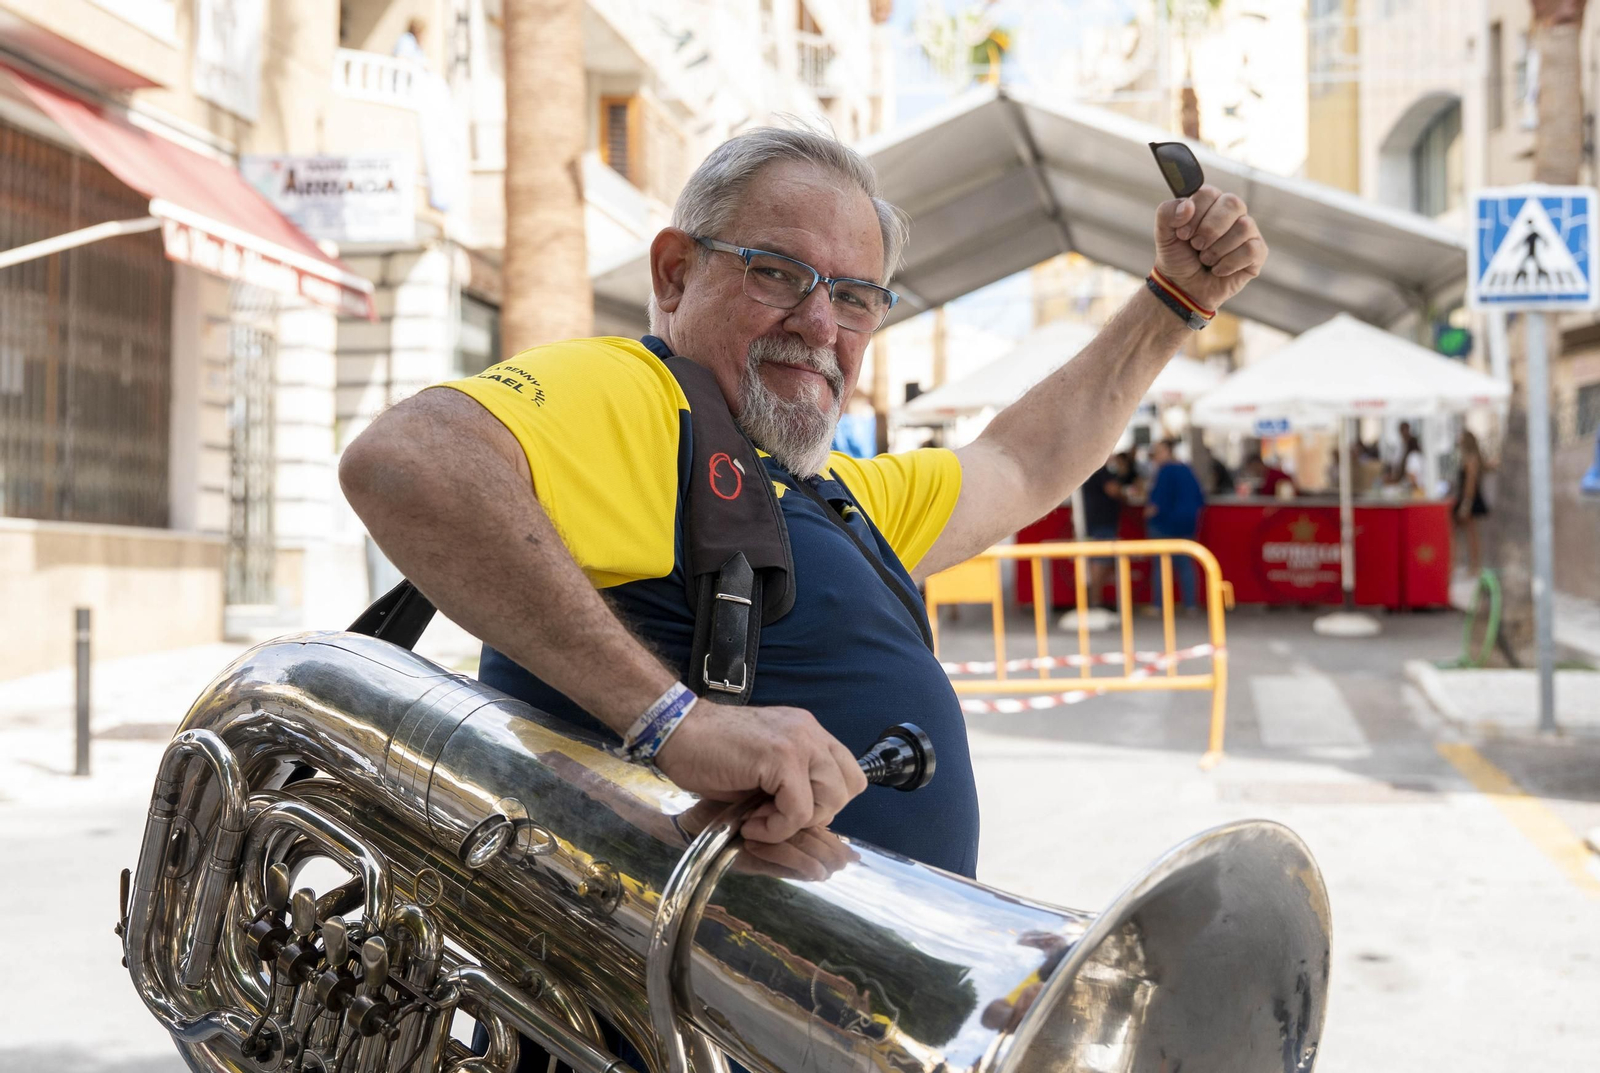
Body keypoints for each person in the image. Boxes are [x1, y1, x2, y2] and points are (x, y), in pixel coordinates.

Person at [339, 126, 1268, 877]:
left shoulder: (829, 494)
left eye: (856, 296)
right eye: (777, 273)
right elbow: (407, 458)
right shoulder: (647, 395)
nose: (821, 324)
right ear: (674, 274)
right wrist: (675, 722)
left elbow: (1021, 462)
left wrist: (1173, 302)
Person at [1144, 439, 1205, 611]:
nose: (1155, 456)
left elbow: (1156, 504)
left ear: (1166, 451)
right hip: (1187, 525)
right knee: (1186, 565)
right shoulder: (1187, 469)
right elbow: (1200, 498)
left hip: (1164, 525)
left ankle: (1159, 606)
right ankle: (1190, 605)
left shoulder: (1165, 471)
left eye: (1157, 452)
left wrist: (1147, 515)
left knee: (1161, 567)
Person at [1080, 452, 1129, 609]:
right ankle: (1095, 602)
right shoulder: (1101, 470)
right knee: (1100, 562)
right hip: (1101, 523)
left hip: (1097, 522)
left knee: (1101, 562)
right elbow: (1112, 490)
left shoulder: (1091, 469)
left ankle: (1095, 600)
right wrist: (1124, 494)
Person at [1454, 428, 1490, 574]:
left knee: (1471, 535)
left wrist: (1466, 504)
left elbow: (1470, 483)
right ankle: (1471, 565)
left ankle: (1474, 566)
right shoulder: (1469, 458)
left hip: (1469, 499)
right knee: (1470, 534)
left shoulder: (1471, 459)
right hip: (1468, 499)